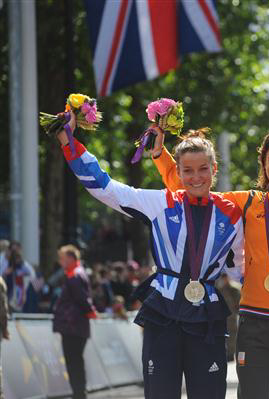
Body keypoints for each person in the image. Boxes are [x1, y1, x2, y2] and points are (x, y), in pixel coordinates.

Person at [55, 114, 244, 399]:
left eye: (203, 169)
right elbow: (106, 188)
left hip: (206, 317)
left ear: (214, 169)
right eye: (188, 171)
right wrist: (68, 142)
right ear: (177, 173)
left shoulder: (232, 214)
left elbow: (242, 266)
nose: (196, 177)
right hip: (163, 313)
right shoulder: (160, 202)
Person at [152, 129, 269, 399]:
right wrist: (159, 155)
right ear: (264, 164)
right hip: (253, 319)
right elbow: (192, 185)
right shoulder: (245, 203)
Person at [52, 244, 96, 399]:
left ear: (71, 258)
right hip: (77, 326)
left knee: (73, 362)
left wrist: (91, 311)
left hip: (73, 327)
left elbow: (82, 299)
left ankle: (78, 394)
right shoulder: (77, 273)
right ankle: (79, 393)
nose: (60, 262)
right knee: (76, 361)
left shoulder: (75, 276)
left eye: (62, 259)